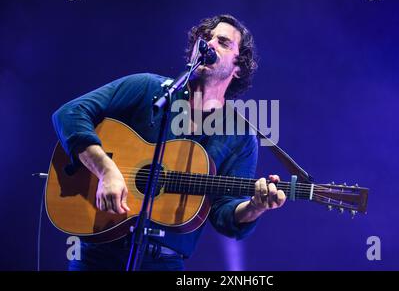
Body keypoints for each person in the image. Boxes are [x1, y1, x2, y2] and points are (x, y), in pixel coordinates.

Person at [52, 14, 286, 271]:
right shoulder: (148, 89)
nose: (208, 44)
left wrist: (254, 207)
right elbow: (70, 113)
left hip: (163, 262)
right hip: (98, 253)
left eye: (223, 42)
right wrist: (105, 170)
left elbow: (223, 213)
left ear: (238, 66)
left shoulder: (239, 135)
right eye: (205, 38)